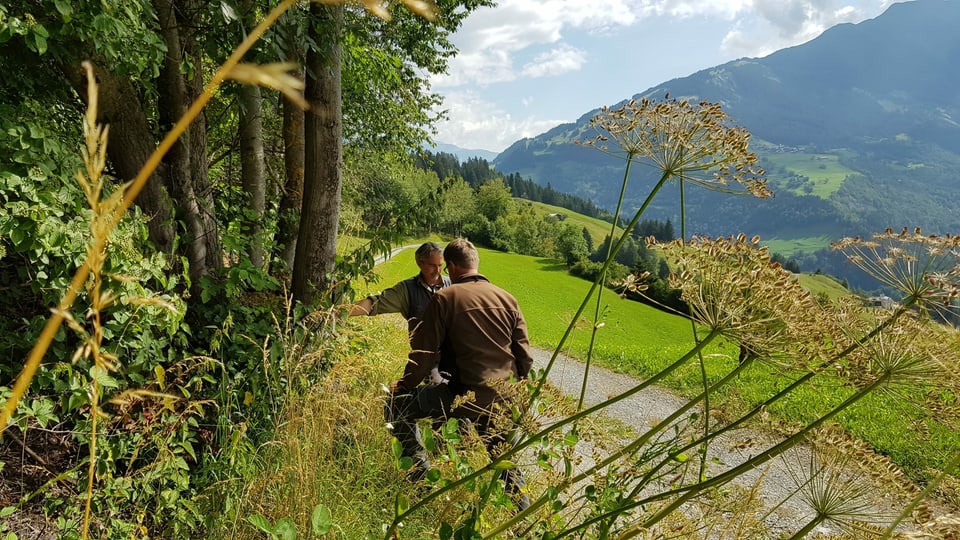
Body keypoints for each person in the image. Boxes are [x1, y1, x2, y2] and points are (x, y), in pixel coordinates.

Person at [388, 238, 533, 510]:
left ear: (452, 267)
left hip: (462, 395)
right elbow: (525, 358)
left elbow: (424, 356)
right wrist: (517, 394)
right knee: (503, 456)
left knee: (397, 406)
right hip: (503, 398)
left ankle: (422, 484)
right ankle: (522, 516)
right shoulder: (508, 299)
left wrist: (404, 385)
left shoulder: (445, 298)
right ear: (475, 264)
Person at [350, 241, 451, 338]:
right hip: (424, 354)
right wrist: (340, 312)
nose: (437, 270)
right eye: (432, 265)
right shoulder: (406, 289)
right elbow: (373, 304)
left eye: (440, 265)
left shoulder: (452, 285)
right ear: (419, 263)